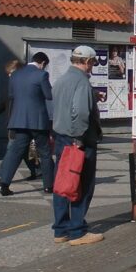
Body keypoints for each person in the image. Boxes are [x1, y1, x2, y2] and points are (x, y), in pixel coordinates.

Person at [51, 45, 103, 245]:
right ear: (88, 61)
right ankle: (77, 231)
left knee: (63, 183)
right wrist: (79, 137)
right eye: (92, 64)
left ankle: (60, 230)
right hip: (79, 140)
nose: (92, 68)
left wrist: (91, 96)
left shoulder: (61, 80)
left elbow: (62, 105)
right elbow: (80, 113)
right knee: (82, 185)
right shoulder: (81, 81)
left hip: (61, 137)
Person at [0, 57, 51, 194]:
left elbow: (11, 95)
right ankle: (48, 185)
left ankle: (4, 184)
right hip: (38, 121)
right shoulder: (42, 74)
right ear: (42, 63)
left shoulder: (15, 75)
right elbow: (48, 95)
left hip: (19, 121)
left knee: (15, 152)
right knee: (45, 153)